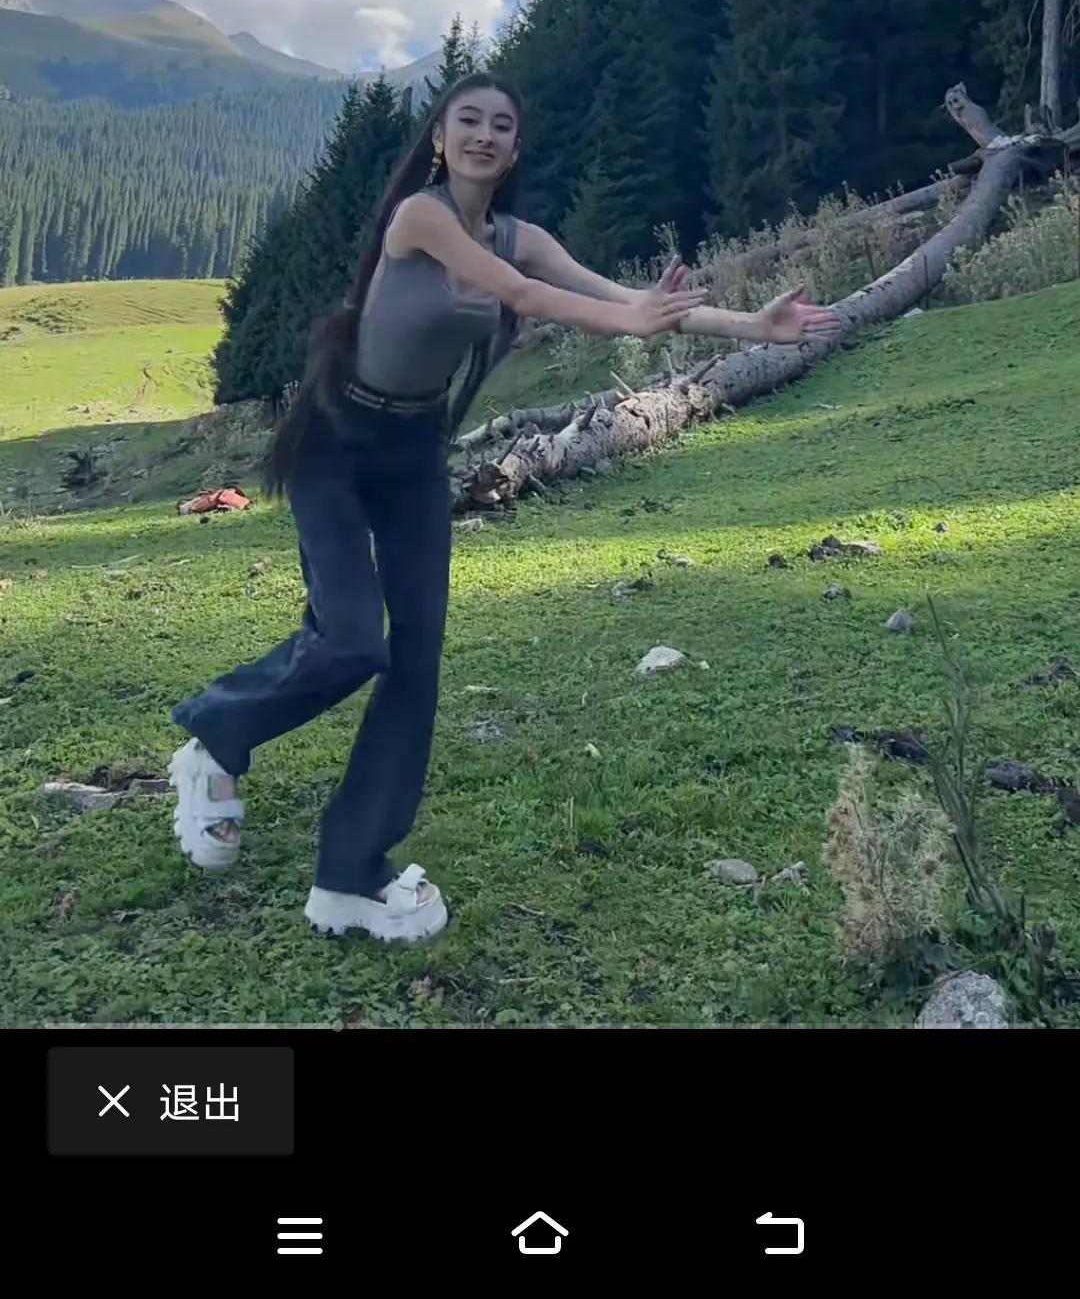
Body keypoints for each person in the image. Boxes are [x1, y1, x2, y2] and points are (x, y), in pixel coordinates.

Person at [169, 72, 837, 943]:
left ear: (515, 149)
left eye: (502, 125)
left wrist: (753, 327)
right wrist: (632, 323)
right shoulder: (421, 217)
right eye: (469, 120)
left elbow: (622, 298)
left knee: (415, 660)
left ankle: (350, 876)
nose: (485, 135)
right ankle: (216, 737)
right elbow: (525, 297)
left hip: (414, 450)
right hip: (339, 438)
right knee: (352, 640)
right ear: (441, 139)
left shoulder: (524, 237)